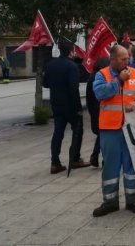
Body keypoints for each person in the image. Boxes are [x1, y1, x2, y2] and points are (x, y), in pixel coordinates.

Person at [92, 45, 135, 217]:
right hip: (110, 130)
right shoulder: (102, 75)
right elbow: (100, 93)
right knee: (110, 166)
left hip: (131, 129)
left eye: (128, 58)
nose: (127, 61)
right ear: (113, 60)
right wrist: (118, 81)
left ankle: (132, 200)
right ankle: (110, 202)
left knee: (131, 164)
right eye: (123, 59)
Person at [43, 41, 90, 174]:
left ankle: (55, 162)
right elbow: (73, 88)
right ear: (71, 52)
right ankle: (74, 158)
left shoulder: (51, 64)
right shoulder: (72, 66)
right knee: (78, 130)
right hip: (70, 105)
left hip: (56, 104)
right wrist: (78, 107)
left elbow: (45, 83)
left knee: (58, 132)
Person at [86, 57, 110, 167]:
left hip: (94, 111)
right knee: (104, 135)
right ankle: (103, 159)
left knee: (101, 135)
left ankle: (95, 156)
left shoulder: (91, 77)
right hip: (102, 110)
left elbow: (88, 97)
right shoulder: (101, 78)